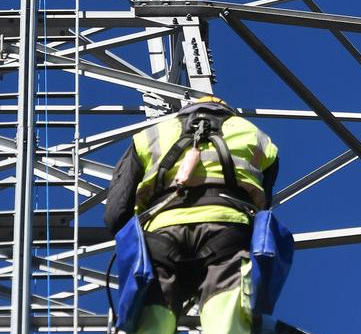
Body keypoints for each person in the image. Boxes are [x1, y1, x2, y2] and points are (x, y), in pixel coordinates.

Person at [105, 95, 280, 334]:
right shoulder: (256, 136)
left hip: (161, 234)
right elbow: (263, 208)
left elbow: (117, 210)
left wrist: (132, 243)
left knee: (152, 322)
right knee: (227, 319)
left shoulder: (152, 134)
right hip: (227, 229)